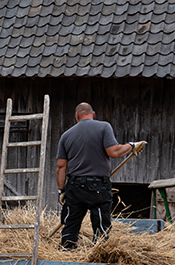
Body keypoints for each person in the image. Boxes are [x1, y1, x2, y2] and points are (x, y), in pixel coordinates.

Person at [56, 102, 146, 248]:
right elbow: (114, 152)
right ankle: (99, 253)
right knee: (100, 226)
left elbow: (61, 166)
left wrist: (62, 190)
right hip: (97, 185)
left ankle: (66, 252)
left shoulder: (66, 135)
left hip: (74, 186)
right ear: (94, 114)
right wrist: (132, 146)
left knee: (70, 225)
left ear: (77, 116)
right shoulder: (104, 127)